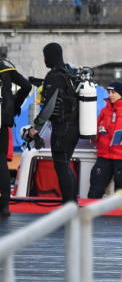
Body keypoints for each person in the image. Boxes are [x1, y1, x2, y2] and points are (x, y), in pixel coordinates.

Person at [27, 43, 81, 203]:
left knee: (62, 167)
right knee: (66, 165)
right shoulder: (69, 73)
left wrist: (36, 127)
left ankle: (68, 205)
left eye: (45, 56)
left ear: (50, 56)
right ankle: (72, 203)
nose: (44, 59)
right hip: (74, 128)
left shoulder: (54, 76)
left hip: (62, 129)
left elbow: (50, 105)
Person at [0, 58, 32, 217]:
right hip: (2, 123)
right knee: (1, 162)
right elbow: (27, 86)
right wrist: (14, 104)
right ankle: (5, 204)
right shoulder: (7, 71)